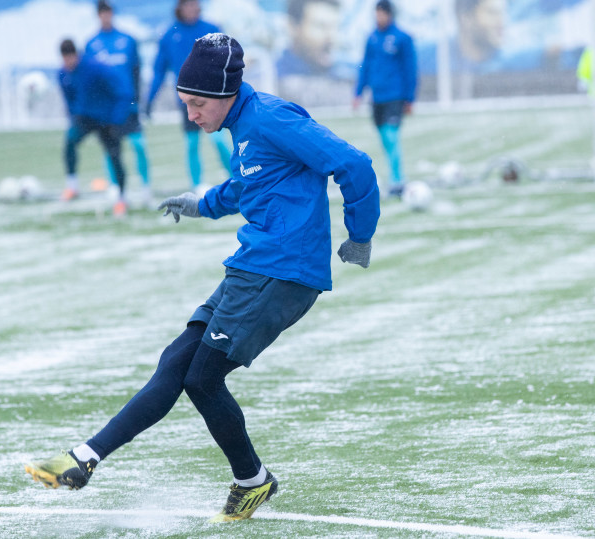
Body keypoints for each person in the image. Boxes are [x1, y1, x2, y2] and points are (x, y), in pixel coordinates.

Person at [26, 33, 380, 522]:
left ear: (225, 94)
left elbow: (354, 164)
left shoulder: (271, 118)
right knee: (178, 362)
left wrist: (359, 234)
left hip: (281, 271)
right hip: (253, 266)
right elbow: (249, 182)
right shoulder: (245, 122)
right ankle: (84, 458)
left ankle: (251, 482)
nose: (190, 114)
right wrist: (202, 205)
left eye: (196, 104)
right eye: (185, 103)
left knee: (203, 378)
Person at [145, 0, 232, 192]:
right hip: (187, 101)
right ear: (180, 8)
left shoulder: (212, 29)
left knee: (219, 140)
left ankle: (236, 177)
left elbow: (227, 61)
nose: (191, 8)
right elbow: (159, 71)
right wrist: (149, 100)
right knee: (192, 143)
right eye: (187, 5)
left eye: (194, 4)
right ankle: (197, 184)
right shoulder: (169, 35)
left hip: (213, 97)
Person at [85, 0, 153, 208]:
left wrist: (137, 100)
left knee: (138, 145)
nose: (106, 16)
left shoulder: (127, 40)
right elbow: (90, 79)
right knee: (111, 150)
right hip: (106, 109)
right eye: (102, 13)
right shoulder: (91, 44)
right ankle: (116, 189)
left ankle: (146, 189)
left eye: (108, 12)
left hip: (128, 105)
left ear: (112, 14)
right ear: (98, 15)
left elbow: (136, 72)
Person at [57, 39, 133, 217]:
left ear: (76, 55)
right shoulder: (63, 74)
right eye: (64, 59)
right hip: (85, 118)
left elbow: (123, 91)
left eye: (70, 58)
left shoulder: (96, 68)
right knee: (69, 142)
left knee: (114, 156)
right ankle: (72, 186)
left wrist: (117, 118)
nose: (68, 63)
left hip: (108, 119)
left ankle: (121, 199)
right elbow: (69, 99)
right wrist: (74, 115)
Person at [353, 0, 417, 198]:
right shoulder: (371, 38)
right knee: (384, 138)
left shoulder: (402, 38)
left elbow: (410, 68)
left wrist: (409, 97)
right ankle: (394, 176)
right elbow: (365, 66)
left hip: (395, 96)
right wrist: (358, 92)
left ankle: (397, 180)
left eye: (382, 13)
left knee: (391, 136)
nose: (378, 17)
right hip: (377, 97)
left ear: (390, 14)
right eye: (376, 13)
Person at [275, 0, 355, 108]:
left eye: (335, 27)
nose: (331, 37)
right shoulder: (272, 78)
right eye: (320, 26)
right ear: (292, 27)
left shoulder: (344, 75)